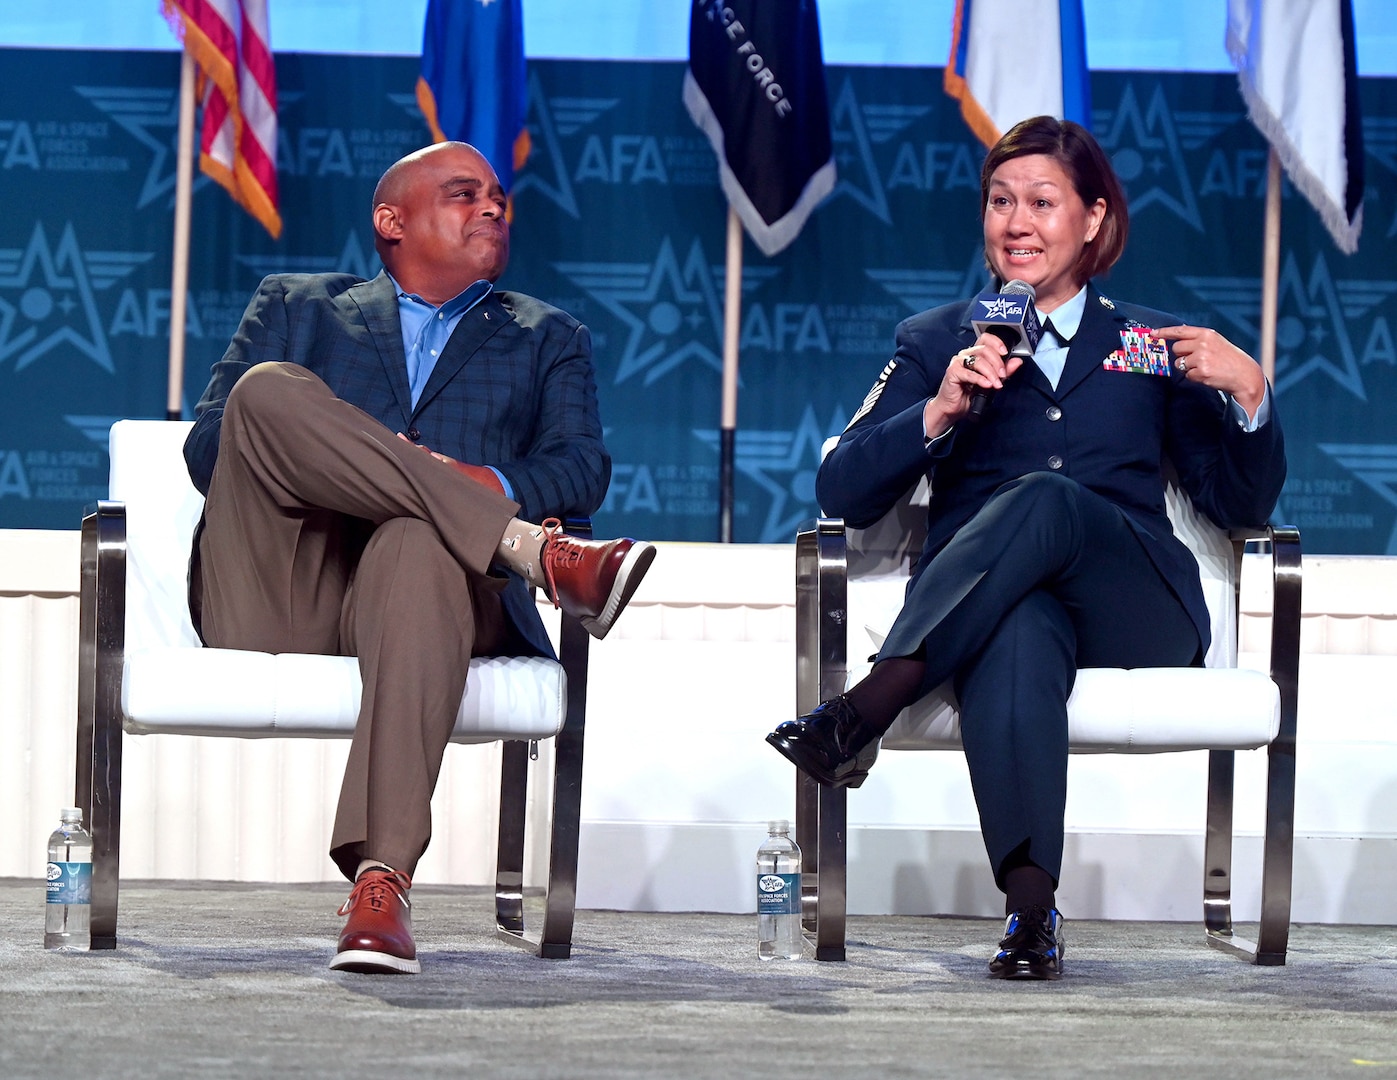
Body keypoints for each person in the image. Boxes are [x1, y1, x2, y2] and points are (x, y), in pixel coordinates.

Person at [765, 116, 1285, 980]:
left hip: (1138, 605)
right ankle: (1031, 914)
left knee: (1045, 498)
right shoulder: (936, 340)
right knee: (1017, 627)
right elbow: (841, 491)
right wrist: (936, 412)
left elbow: (1238, 503)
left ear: (1092, 219)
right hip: (994, 610)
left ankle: (874, 699)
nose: (1017, 223)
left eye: (1042, 202)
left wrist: (1251, 391)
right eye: (1000, 202)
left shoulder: (1149, 344)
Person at [182, 141, 655, 975]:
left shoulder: (547, 336)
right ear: (391, 221)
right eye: (464, 193)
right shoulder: (299, 305)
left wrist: (469, 481)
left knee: (414, 541)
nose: (493, 208)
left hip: (436, 603)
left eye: (500, 198)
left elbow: (581, 469)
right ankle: (532, 552)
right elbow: (210, 449)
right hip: (284, 585)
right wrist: (400, 467)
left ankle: (380, 884)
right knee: (265, 391)